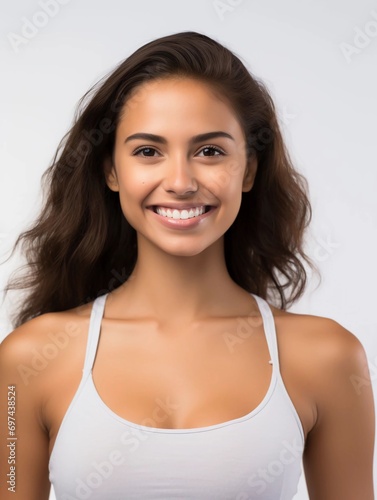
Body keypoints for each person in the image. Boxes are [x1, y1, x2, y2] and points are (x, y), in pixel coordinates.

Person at [0, 31, 374, 500]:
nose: (180, 182)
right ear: (111, 171)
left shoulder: (328, 358)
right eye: (148, 151)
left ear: (250, 169)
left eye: (210, 151)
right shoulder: (29, 360)